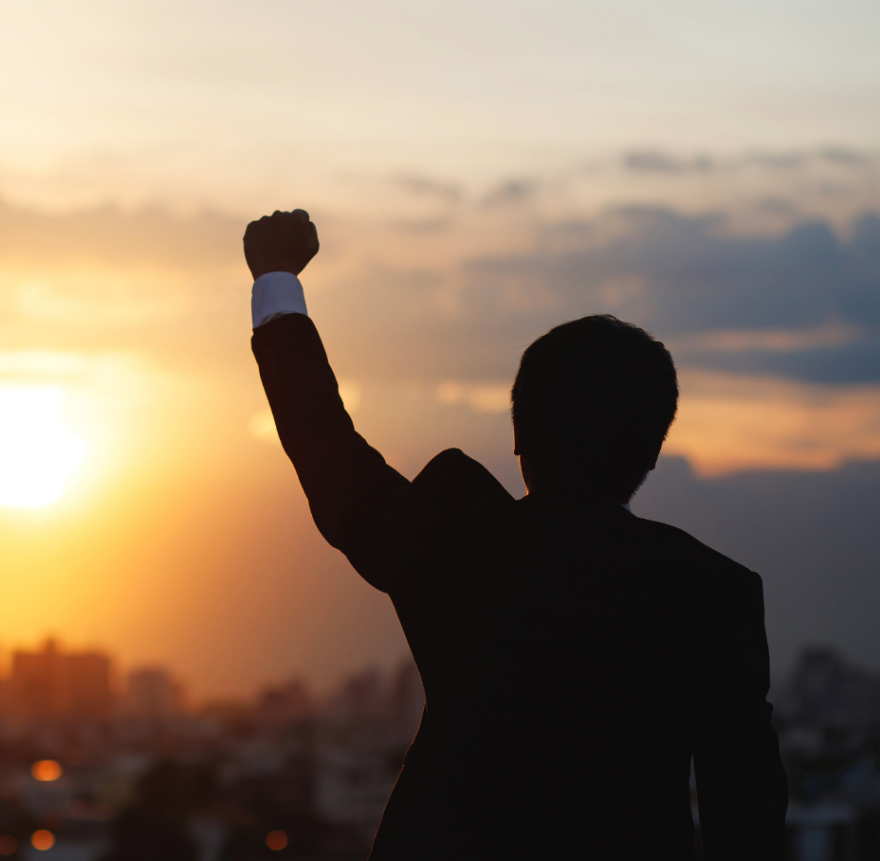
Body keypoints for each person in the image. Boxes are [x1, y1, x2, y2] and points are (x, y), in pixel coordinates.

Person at [245, 209, 787, 859]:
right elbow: (747, 817)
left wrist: (276, 279)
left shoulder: (455, 544)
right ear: (651, 452)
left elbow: (329, 452)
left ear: (518, 434)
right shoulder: (713, 594)